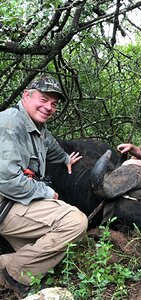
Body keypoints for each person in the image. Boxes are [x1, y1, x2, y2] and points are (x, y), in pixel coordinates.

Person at [0, 75, 88, 297]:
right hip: (6, 204)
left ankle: (5, 264)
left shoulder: (38, 128)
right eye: (44, 99)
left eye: (54, 103)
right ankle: (14, 272)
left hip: (11, 204)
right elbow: (8, 181)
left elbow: (51, 146)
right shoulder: (9, 124)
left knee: (54, 251)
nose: (49, 107)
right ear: (27, 95)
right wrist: (47, 193)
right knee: (74, 222)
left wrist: (67, 159)